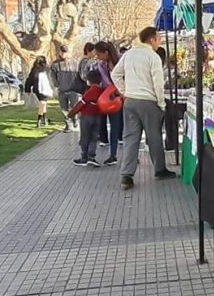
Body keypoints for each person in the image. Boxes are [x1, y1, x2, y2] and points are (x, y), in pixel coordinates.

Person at [112, 26, 175, 190]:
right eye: (159, 39)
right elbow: (158, 84)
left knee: (130, 138)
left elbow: (115, 74)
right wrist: (161, 104)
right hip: (148, 102)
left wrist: (124, 91)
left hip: (130, 101)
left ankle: (127, 175)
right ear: (152, 39)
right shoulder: (153, 57)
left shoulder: (129, 54)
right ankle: (160, 170)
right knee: (154, 137)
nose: (159, 42)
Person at [68, 69, 104, 167]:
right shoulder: (102, 91)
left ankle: (84, 157)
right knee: (94, 137)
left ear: (89, 80)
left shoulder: (90, 91)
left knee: (85, 137)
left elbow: (81, 103)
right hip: (97, 117)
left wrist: (71, 114)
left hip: (86, 117)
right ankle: (91, 157)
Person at [95, 40, 123, 166]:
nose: (98, 57)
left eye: (99, 54)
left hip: (126, 96)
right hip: (113, 98)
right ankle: (113, 155)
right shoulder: (102, 66)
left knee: (128, 127)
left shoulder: (121, 60)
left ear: (106, 52)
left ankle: (131, 154)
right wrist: (116, 91)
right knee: (114, 126)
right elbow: (107, 82)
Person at [51, 45, 82, 132]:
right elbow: (52, 76)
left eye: (65, 52)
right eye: (62, 51)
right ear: (60, 52)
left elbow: (79, 75)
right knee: (64, 108)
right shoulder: (55, 65)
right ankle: (68, 125)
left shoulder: (74, 63)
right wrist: (57, 84)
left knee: (74, 107)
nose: (63, 54)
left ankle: (75, 119)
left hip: (73, 90)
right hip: (62, 90)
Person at [25, 56, 54, 127]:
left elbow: (29, 80)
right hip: (44, 89)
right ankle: (39, 120)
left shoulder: (34, 70)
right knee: (43, 104)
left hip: (37, 90)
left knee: (43, 104)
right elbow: (50, 79)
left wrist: (27, 89)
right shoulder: (46, 69)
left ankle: (45, 119)